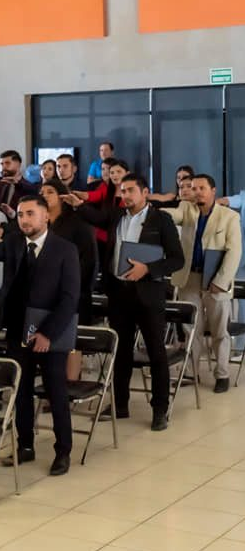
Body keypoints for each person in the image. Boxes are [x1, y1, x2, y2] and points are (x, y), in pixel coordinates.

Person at [63, 175, 184, 431]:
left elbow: (176, 259)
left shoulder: (161, 219)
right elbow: (94, 218)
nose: (125, 195)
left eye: (130, 190)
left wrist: (148, 269)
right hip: (119, 293)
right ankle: (120, 403)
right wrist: (77, 204)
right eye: (122, 191)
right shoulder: (117, 216)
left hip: (148, 294)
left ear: (145, 192)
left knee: (156, 353)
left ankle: (160, 408)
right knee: (122, 351)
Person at [0, 195, 80, 476]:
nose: (24, 220)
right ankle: (25, 445)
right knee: (20, 391)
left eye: (30, 214)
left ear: (45, 216)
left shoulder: (65, 249)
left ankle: (63, 450)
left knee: (55, 391)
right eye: (20, 214)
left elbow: (70, 299)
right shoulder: (12, 243)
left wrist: (47, 333)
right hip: (18, 329)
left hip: (50, 332)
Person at [164, 174, 242, 393]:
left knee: (219, 331)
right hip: (190, 278)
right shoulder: (187, 209)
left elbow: (234, 252)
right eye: (193, 188)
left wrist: (221, 281)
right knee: (191, 330)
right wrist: (151, 210)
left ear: (213, 191)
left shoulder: (228, 217)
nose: (197, 192)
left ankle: (222, 374)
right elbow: (173, 216)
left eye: (201, 188)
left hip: (216, 279)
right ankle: (192, 372)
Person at [40, 182, 98, 324]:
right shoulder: (39, 223)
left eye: (50, 192)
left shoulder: (78, 223)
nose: (44, 196)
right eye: (41, 193)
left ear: (62, 196)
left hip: (72, 293)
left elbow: (89, 261)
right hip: (44, 293)